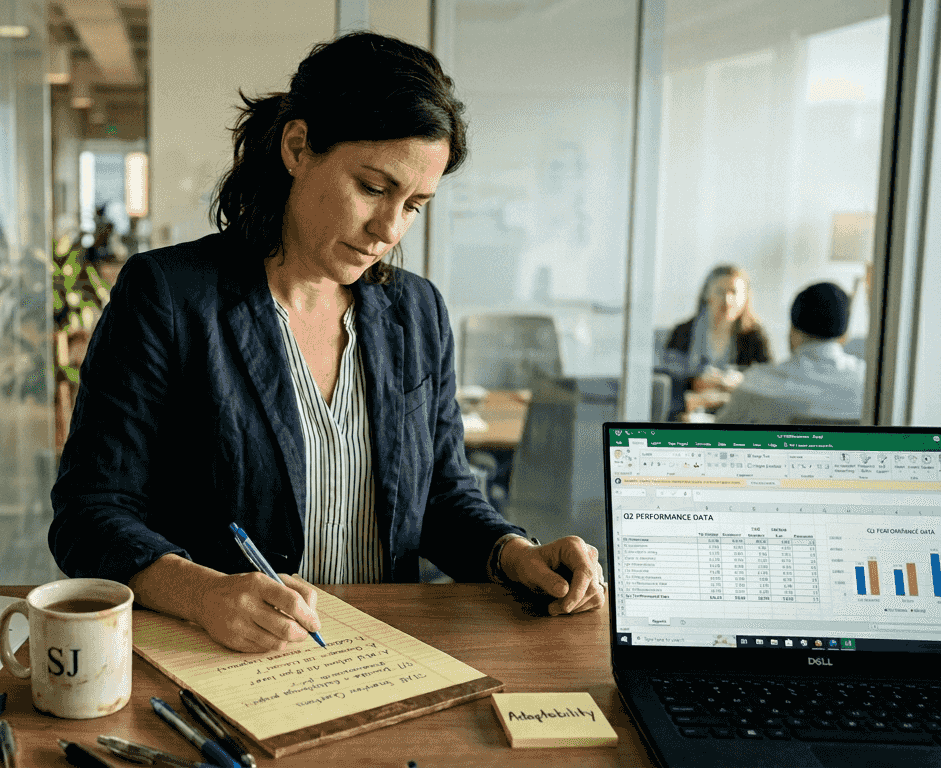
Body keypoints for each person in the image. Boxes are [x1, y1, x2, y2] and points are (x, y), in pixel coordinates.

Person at [49, 32, 605, 654]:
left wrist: (513, 554)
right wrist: (202, 593)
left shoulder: (416, 312)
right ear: (297, 146)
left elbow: (443, 496)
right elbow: (89, 515)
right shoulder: (169, 297)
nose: (388, 230)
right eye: (372, 188)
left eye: (415, 205)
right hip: (221, 661)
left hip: (383, 658)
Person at [715, 282, 865, 424]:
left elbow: (719, 434)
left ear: (793, 332)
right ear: (845, 335)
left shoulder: (757, 384)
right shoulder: (869, 383)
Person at [660, 265, 772, 418]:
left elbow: (768, 381)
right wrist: (697, 383)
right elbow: (667, 383)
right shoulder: (682, 332)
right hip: (689, 413)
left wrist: (736, 384)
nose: (727, 300)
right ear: (707, 294)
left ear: (745, 297)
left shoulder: (755, 336)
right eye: (720, 291)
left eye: (734, 292)